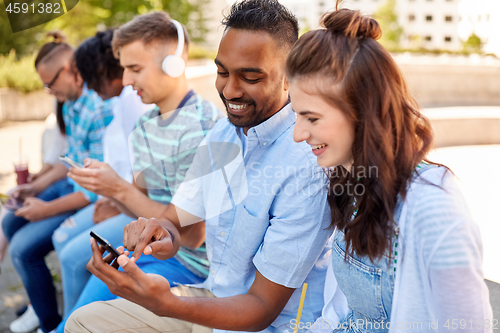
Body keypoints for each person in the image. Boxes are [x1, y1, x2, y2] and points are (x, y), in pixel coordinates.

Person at [65, 0, 334, 332]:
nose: (230, 89)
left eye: (249, 77)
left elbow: (261, 308)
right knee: (82, 322)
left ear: (289, 78)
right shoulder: (224, 132)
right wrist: (159, 233)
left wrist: (166, 304)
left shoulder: (308, 163)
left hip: (266, 324)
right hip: (210, 299)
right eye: (222, 72)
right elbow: (178, 222)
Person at [286, 3, 493, 331]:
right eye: (296, 115)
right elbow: (346, 313)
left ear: (362, 111)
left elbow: (467, 326)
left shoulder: (434, 207)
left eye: (311, 118)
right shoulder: (351, 180)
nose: (298, 134)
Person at [58, 12, 223, 332]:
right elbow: (141, 203)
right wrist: (106, 189)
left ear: (173, 64)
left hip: (190, 269)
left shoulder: (202, 127)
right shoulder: (144, 126)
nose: (127, 80)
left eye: (135, 69)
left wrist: (119, 189)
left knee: (76, 323)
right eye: (125, 69)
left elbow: (191, 235)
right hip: (149, 256)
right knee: (73, 320)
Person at [2, 32, 114, 333]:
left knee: (22, 249)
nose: (47, 90)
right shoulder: (70, 102)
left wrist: (44, 210)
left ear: (70, 69)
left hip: (90, 197)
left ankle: (51, 322)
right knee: (9, 221)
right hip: (74, 186)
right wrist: (35, 188)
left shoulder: (98, 107)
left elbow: (94, 190)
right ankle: (41, 306)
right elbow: (70, 160)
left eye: (50, 82)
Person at [50, 28, 152, 320]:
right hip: (121, 199)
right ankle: (70, 318)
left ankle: (70, 322)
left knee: (71, 257)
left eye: (90, 80)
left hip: (133, 206)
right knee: (65, 244)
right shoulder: (121, 100)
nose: (91, 90)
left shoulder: (132, 99)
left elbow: (143, 174)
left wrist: (117, 199)